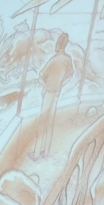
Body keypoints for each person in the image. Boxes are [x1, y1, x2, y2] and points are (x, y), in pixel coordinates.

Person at [34, 32, 74, 160]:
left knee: (42, 123)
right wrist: (61, 84)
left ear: (58, 44)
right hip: (57, 92)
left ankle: (36, 154)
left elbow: (41, 75)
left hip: (49, 92)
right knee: (50, 122)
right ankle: (46, 152)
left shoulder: (54, 60)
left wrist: (45, 86)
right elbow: (70, 75)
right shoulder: (67, 59)